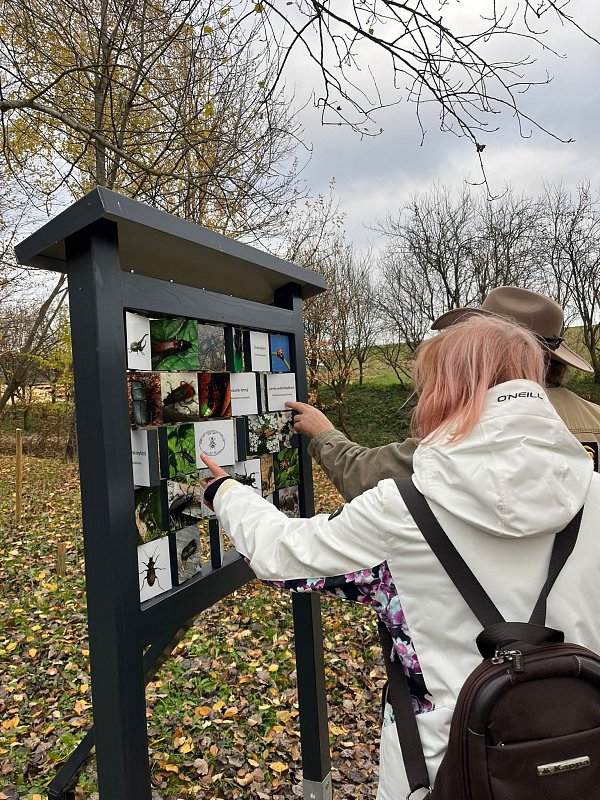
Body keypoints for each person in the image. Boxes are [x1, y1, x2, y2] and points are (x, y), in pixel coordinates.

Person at [201, 313, 600, 798]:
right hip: (580, 761)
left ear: (448, 389)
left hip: (440, 772)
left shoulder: (400, 509)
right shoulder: (595, 493)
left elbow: (282, 555)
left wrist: (226, 492)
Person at [292, 286, 600, 502]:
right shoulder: (595, 418)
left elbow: (366, 477)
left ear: (482, 354)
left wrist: (325, 435)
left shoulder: (470, 428)